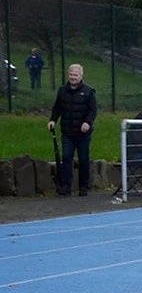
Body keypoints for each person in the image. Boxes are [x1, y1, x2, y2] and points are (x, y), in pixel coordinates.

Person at [47, 64, 98, 197]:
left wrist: (87, 122)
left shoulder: (88, 91)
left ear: (81, 76)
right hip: (67, 131)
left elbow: (93, 110)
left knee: (84, 159)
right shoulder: (62, 90)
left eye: (75, 75)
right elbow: (57, 108)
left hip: (83, 133)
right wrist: (53, 120)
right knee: (67, 158)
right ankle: (66, 187)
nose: (73, 77)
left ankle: (83, 187)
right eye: (71, 74)